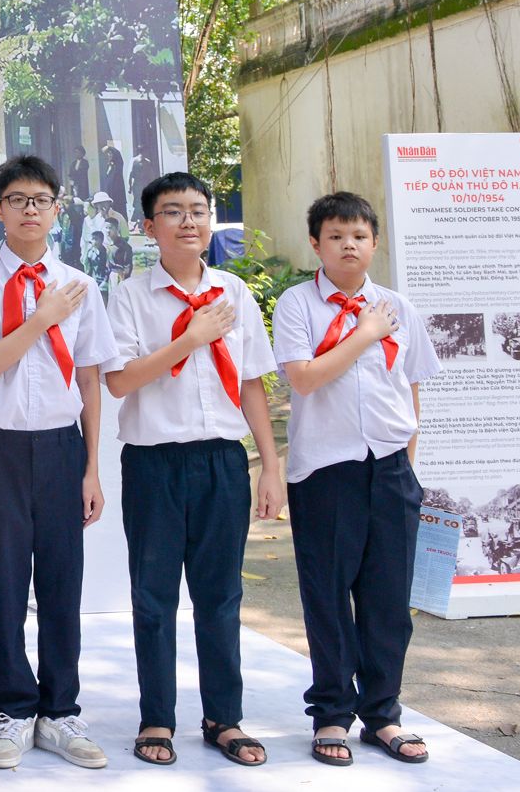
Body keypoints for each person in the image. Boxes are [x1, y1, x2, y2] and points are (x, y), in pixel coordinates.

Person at [0, 155, 116, 771]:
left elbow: (91, 380)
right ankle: (14, 709)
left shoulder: (79, 285)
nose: (31, 209)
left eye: (41, 199)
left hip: (62, 446)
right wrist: (41, 319)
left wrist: (92, 468)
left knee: (63, 582)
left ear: (58, 208)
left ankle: (61, 711)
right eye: (18, 199)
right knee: (7, 579)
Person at [102, 172, 281, 768]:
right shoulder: (130, 295)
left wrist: (269, 464)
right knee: (153, 596)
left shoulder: (235, 292)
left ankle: (223, 717)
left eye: (199, 211)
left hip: (222, 462)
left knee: (220, 595)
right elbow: (121, 380)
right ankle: (157, 717)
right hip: (154, 462)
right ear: (150, 227)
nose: (189, 221)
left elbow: (252, 383)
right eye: (173, 212)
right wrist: (191, 337)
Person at [272, 192, 439, 767]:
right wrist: (364, 332)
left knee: (388, 599)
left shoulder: (399, 306)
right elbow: (306, 378)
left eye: (360, 236)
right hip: (325, 471)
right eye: (337, 235)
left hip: (390, 468)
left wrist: (408, 465)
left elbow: (412, 385)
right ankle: (332, 715)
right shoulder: (297, 305)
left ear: (374, 243)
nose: (349, 245)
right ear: (316, 243)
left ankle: (384, 715)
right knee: (328, 596)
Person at [97, 141, 126, 218]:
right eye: (108, 154)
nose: (109, 155)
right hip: (109, 193)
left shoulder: (118, 164)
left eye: (111, 154)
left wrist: (109, 147)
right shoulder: (108, 166)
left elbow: (117, 154)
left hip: (117, 193)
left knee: (118, 211)